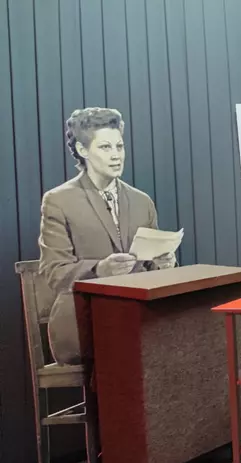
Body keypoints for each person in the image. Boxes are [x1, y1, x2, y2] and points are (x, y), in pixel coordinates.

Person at [38, 107, 176, 366]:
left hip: (138, 318)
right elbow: (54, 271)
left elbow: (153, 271)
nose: (116, 155)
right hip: (84, 321)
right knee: (136, 351)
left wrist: (164, 264)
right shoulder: (59, 201)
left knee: (182, 340)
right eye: (105, 147)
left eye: (119, 147)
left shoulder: (142, 201)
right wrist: (99, 269)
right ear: (82, 149)